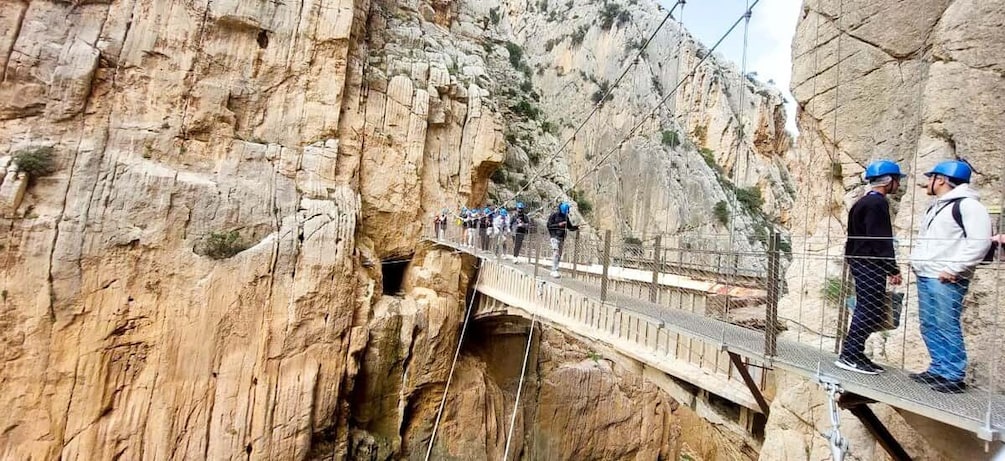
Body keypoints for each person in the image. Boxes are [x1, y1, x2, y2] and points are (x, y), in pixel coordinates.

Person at [910, 160, 992, 393]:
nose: (928, 182)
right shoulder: (937, 206)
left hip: (946, 276)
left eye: (931, 178)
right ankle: (939, 368)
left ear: (942, 179)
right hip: (927, 273)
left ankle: (954, 374)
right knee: (929, 324)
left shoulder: (969, 206)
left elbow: (980, 242)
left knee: (947, 324)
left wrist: (954, 268)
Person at [835, 160, 905, 375]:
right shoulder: (877, 204)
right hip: (870, 263)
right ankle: (850, 354)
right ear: (889, 181)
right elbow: (880, 239)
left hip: (861, 261)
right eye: (896, 180)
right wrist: (892, 268)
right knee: (868, 309)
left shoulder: (861, 202)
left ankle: (854, 353)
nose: (898, 184)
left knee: (868, 308)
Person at [546, 202, 579, 278]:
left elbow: (569, 227)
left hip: (561, 237)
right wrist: (559, 225)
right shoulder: (554, 215)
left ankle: (555, 269)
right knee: (556, 252)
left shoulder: (565, 217)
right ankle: (554, 270)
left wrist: (576, 227)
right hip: (554, 237)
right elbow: (549, 225)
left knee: (559, 254)